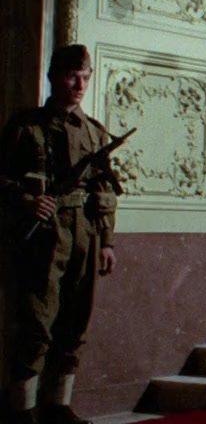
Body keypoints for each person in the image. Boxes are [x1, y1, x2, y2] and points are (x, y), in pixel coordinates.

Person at [1, 45, 121, 424]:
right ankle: (21, 409)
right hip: (43, 237)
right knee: (37, 321)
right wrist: (26, 201)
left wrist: (107, 242)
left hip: (84, 233)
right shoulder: (26, 127)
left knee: (75, 320)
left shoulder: (95, 133)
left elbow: (104, 192)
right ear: (54, 77)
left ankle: (58, 405)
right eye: (72, 76)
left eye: (85, 77)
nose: (80, 85)